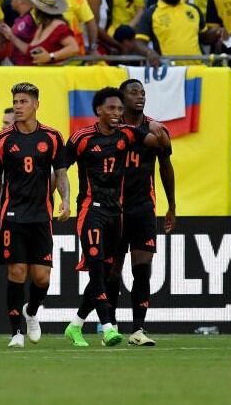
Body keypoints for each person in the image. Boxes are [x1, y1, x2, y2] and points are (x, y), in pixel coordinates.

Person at [63, 87, 170, 348]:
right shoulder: (82, 137)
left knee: (114, 269)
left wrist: (156, 128)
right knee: (100, 269)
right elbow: (60, 167)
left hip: (117, 212)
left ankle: (77, 324)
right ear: (98, 110)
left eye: (119, 109)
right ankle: (109, 328)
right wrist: (63, 199)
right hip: (91, 209)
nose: (116, 112)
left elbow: (162, 146)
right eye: (111, 108)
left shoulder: (127, 134)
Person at [0, 82, 70, 348]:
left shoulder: (52, 137)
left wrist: (66, 200)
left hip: (41, 216)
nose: (18, 107)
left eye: (23, 102)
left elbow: (61, 174)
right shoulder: (2, 140)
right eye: (15, 102)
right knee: (17, 271)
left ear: (36, 105)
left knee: (42, 277)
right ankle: (16, 333)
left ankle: (31, 311)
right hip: (12, 215)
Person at [105, 79, 177, 347]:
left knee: (142, 268)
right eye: (134, 92)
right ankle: (110, 327)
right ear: (122, 98)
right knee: (112, 271)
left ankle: (138, 329)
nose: (140, 96)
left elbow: (166, 167)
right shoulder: (111, 129)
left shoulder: (156, 130)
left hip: (143, 207)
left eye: (143, 92)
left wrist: (172, 205)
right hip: (114, 208)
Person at [135, 0, 222, 64]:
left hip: (197, 69)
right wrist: (149, 53)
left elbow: (204, 38)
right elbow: (138, 42)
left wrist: (217, 32)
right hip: (169, 70)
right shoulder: (151, 13)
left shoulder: (194, 10)